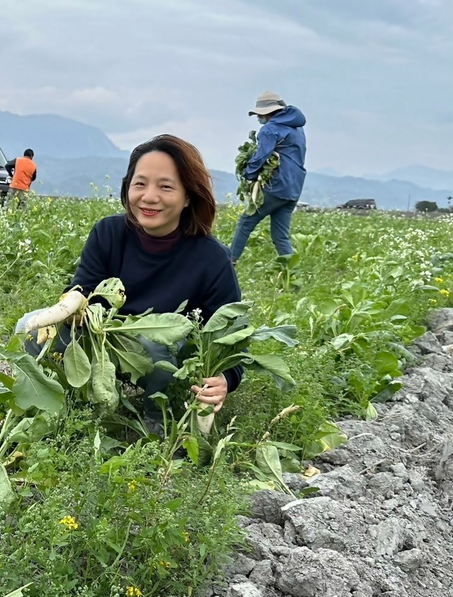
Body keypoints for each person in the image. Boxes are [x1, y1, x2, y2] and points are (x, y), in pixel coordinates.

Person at [16, 134, 243, 434]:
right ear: (127, 188)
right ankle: (58, 399)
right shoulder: (108, 233)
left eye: (165, 186)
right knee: (28, 327)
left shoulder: (212, 258)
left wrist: (225, 379)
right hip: (104, 343)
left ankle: (157, 415)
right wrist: (71, 304)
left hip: (167, 360)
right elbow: (83, 289)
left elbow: (232, 338)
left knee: (153, 344)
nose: (149, 196)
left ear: (188, 195)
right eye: (140, 184)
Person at [228, 91, 307, 264]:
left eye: (259, 114)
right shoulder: (297, 129)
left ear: (268, 113)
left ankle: (228, 264)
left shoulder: (270, 130)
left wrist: (249, 173)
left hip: (276, 185)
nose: (258, 118)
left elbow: (261, 157)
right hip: (294, 188)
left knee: (246, 222)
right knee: (280, 236)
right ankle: (291, 276)